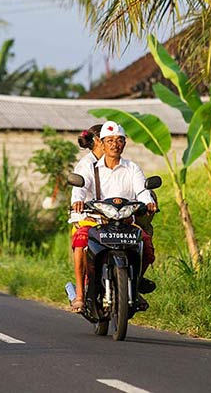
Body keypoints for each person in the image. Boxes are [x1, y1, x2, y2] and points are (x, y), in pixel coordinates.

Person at [69, 121, 157, 312]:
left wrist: (148, 201)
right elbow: (80, 188)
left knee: (146, 246)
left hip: (124, 222)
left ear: (124, 143)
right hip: (97, 221)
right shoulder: (90, 167)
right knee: (81, 241)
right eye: (110, 140)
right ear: (102, 143)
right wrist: (78, 201)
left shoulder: (132, 168)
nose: (114, 144)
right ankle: (80, 295)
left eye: (119, 140)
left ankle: (134, 285)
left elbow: (142, 190)